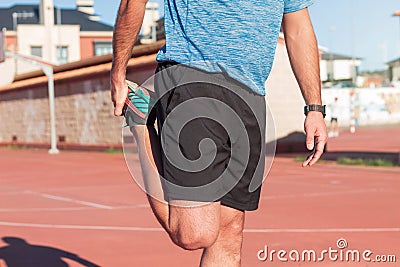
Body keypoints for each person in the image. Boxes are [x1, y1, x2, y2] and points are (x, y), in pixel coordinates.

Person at [110, 0, 328, 266]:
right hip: (192, 77)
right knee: (193, 233)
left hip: (251, 94)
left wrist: (314, 107)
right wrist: (118, 72)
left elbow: (297, 26)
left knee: (230, 232)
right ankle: (140, 118)